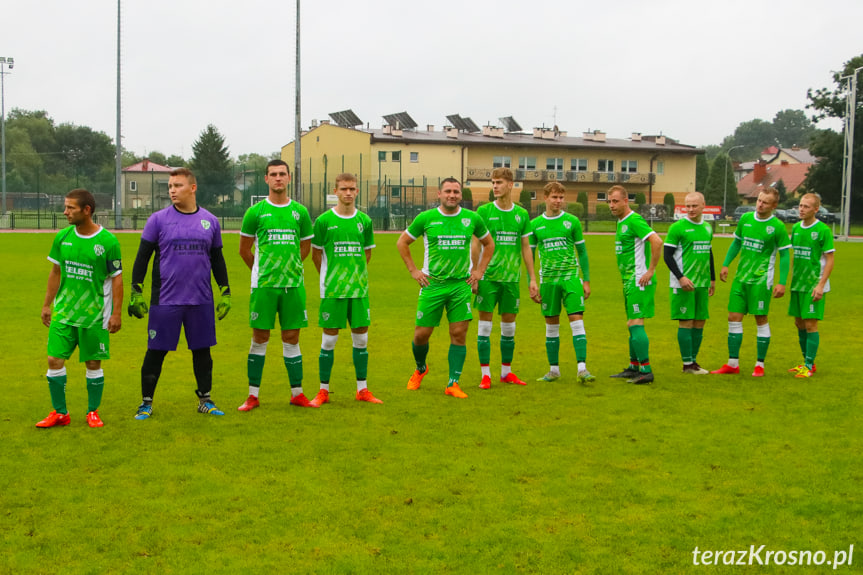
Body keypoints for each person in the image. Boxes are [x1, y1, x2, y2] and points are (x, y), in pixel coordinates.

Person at [128, 167, 232, 419]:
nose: (172, 190)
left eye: (178, 186)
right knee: (156, 351)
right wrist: (136, 291)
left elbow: (217, 259)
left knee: (202, 352)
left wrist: (225, 292)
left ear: (192, 188)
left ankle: (205, 400)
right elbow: (142, 258)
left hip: (201, 300)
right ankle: (146, 402)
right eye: (170, 187)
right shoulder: (158, 220)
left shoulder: (210, 221)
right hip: (166, 300)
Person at [396, 177, 494, 399]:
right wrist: (414, 270)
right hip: (432, 285)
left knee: (458, 334)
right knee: (421, 335)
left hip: (460, 285)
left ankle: (453, 382)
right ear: (439, 194)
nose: (452, 195)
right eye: (448, 191)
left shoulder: (472, 218)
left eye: (456, 192)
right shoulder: (426, 218)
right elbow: (402, 242)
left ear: (461, 195)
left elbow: (489, 244)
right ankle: (421, 368)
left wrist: (479, 272)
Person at [37, 189, 123, 428]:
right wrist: (46, 305)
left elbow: (117, 278)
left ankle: (92, 412)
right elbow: (55, 271)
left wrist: (116, 313)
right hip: (64, 312)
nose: (65, 212)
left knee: (93, 364)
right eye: (65, 207)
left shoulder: (108, 242)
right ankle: (60, 413)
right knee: (54, 359)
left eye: (70, 208)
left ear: (87, 210)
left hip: (95, 315)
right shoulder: (62, 237)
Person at [237, 159, 316, 410]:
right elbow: (244, 250)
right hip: (264, 286)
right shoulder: (255, 212)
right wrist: (263, 271)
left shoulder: (300, 213)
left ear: (289, 178)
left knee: (292, 337)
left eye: (282, 174)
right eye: (273, 174)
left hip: (293, 285)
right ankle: (252, 395)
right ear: (266, 179)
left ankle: (297, 393)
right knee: (259, 337)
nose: (278, 178)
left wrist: (288, 267)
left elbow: (305, 248)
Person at [309, 173, 382, 406]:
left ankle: (362, 390)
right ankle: (323, 391)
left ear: (357, 191)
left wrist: (354, 275)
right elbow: (316, 255)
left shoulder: (365, 221)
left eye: (352, 189)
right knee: (328, 342)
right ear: (335, 191)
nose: (348, 193)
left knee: (361, 340)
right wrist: (332, 277)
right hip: (332, 290)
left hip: (359, 291)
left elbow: (367, 253)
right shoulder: (323, 221)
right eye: (343, 189)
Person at [471, 167, 538, 389]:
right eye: (493, 182)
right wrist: (475, 272)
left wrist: (532, 278)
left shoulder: (522, 214)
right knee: (484, 328)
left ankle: (506, 372)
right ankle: (485, 374)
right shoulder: (484, 212)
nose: (495, 186)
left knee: (509, 328)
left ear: (511, 185)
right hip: (488, 277)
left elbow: (526, 247)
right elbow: (475, 244)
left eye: (499, 182)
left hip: (511, 279)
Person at [711, 188, 790, 377]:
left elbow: (785, 254)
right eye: (759, 200)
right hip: (740, 279)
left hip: (761, 281)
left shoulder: (777, 227)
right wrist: (725, 264)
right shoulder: (746, 219)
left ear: (774, 205)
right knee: (733, 317)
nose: (760, 204)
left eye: (765, 202)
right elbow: (737, 242)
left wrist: (782, 282)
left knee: (760, 319)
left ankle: (759, 365)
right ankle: (732, 364)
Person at [530, 181, 594, 383]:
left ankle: (582, 369)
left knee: (577, 322)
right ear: (545, 198)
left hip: (571, 278)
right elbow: (529, 256)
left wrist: (587, 280)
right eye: (554, 197)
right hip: (548, 281)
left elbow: (582, 252)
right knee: (551, 326)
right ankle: (553, 370)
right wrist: (532, 282)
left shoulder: (572, 222)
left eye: (561, 197)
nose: (558, 201)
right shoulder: (535, 225)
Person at [608, 185, 663, 384]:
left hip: (639, 279)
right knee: (631, 323)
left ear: (625, 201)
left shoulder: (634, 220)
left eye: (615, 201)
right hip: (629, 280)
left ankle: (646, 371)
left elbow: (657, 241)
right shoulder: (621, 222)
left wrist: (650, 270)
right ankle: (634, 367)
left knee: (635, 323)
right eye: (609, 201)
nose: (611, 205)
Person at [663, 192, 715, 375]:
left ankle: (694, 363)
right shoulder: (677, 228)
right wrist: (680, 277)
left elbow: (709, 254)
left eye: (694, 206)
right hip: (684, 283)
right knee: (686, 322)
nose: (691, 209)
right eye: (688, 206)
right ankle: (687, 365)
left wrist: (713, 279)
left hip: (702, 282)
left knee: (700, 322)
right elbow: (667, 256)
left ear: (703, 205)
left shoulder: (708, 228)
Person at [787, 193, 835, 378]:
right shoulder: (797, 228)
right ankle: (807, 363)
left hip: (814, 284)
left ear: (816, 209)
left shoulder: (823, 230)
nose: (801, 209)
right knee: (798, 323)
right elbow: (794, 256)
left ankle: (808, 365)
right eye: (800, 205)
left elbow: (830, 260)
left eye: (806, 206)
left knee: (810, 324)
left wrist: (821, 285)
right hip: (797, 284)